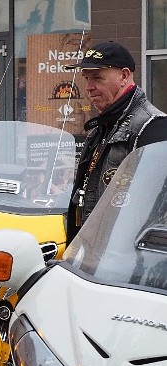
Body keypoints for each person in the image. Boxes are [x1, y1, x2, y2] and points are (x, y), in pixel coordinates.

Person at [64, 41, 167, 239]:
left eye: (97, 78)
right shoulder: (101, 128)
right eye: (86, 78)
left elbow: (157, 210)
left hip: (124, 257)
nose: (88, 87)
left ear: (124, 76)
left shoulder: (153, 127)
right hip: (93, 252)